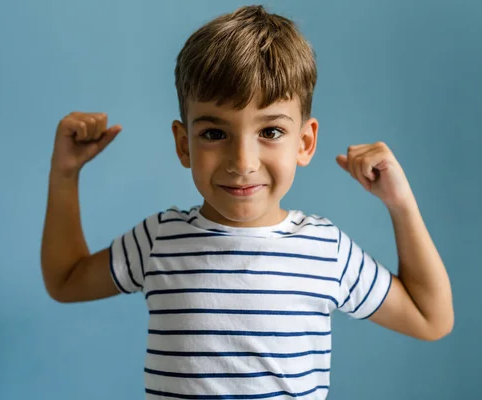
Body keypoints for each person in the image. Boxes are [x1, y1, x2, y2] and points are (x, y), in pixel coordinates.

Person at [40, 5, 454, 399]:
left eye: (270, 131)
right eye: (215, 134)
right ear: (184, 145)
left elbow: (430, 319)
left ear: (304, 142)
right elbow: (65, 281)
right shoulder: (159, 240)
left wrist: (400, 205)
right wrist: (65, 173)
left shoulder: (326, 250)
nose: (243, 163)